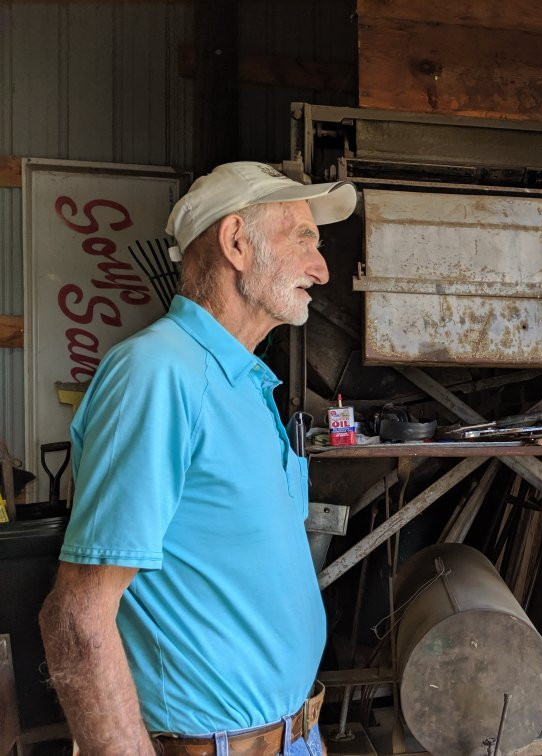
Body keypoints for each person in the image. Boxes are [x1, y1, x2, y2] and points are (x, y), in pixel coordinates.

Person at [39, 161, 357, 755]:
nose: (321, 268)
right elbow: (79, 619)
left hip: (295, 736)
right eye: (304, 239)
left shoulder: (243, 381)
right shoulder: (158, 373)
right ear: (237, 243)